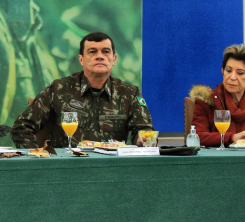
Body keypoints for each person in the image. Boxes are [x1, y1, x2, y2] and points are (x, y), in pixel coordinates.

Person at [12, 32, 152, 148]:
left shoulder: (129, 93)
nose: (100, 56)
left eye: (106, 52)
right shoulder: (59, 89)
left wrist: (144, 139)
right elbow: (21, 127)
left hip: (111, 167)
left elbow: (145, 130)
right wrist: (37, 158)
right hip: (67, 167)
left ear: (114, 59)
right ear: (81, 59)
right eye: (92, 52)